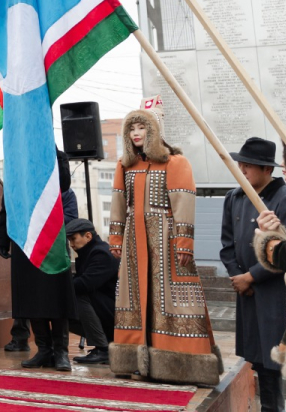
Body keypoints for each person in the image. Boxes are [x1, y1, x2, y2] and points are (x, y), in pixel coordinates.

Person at [108, 104, 221, 385]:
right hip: (134, 242)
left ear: (154, 130)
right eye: (131, 128)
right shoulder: (124, 165)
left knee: (171, 298)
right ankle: (134, 358)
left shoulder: (175, 161)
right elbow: (118, 203)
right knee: (135, 298)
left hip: (167, 242)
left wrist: (184, 242)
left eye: (142, 127)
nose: (136, 133)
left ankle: (179, 363)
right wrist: (115, 237)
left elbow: (183, 199)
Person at [219, 137, 286, 411]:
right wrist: (237, 276)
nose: (244, 170)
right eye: (241, 165)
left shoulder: (285, 199)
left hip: (274, 292)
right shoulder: (234, 196)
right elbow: (227, 245)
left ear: (267, 170)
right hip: (247, 292)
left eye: (249, 166)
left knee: (274, 356)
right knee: (257, 358)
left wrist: (251, 276)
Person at [0, 147, 77, 371]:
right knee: (31, 297)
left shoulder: (52, 158)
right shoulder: (15, 166)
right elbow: (7, 206)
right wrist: (2, 237)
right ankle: (44, 350)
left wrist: (52, 151)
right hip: (24, 241)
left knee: (56, 296)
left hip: (52, 240)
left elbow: (64, 183)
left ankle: (61, 352)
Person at [65, 218, 118, 366]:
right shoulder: (88, 253)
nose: (71, 244)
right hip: (102, 309)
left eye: (74, 239)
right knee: (61, 308)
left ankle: (103, 349)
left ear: (88, 236)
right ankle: (103, 344)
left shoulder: (101, 253)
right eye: (69, 240)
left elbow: (84, 284)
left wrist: (59, 288)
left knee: (77, 294)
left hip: (112, 312)